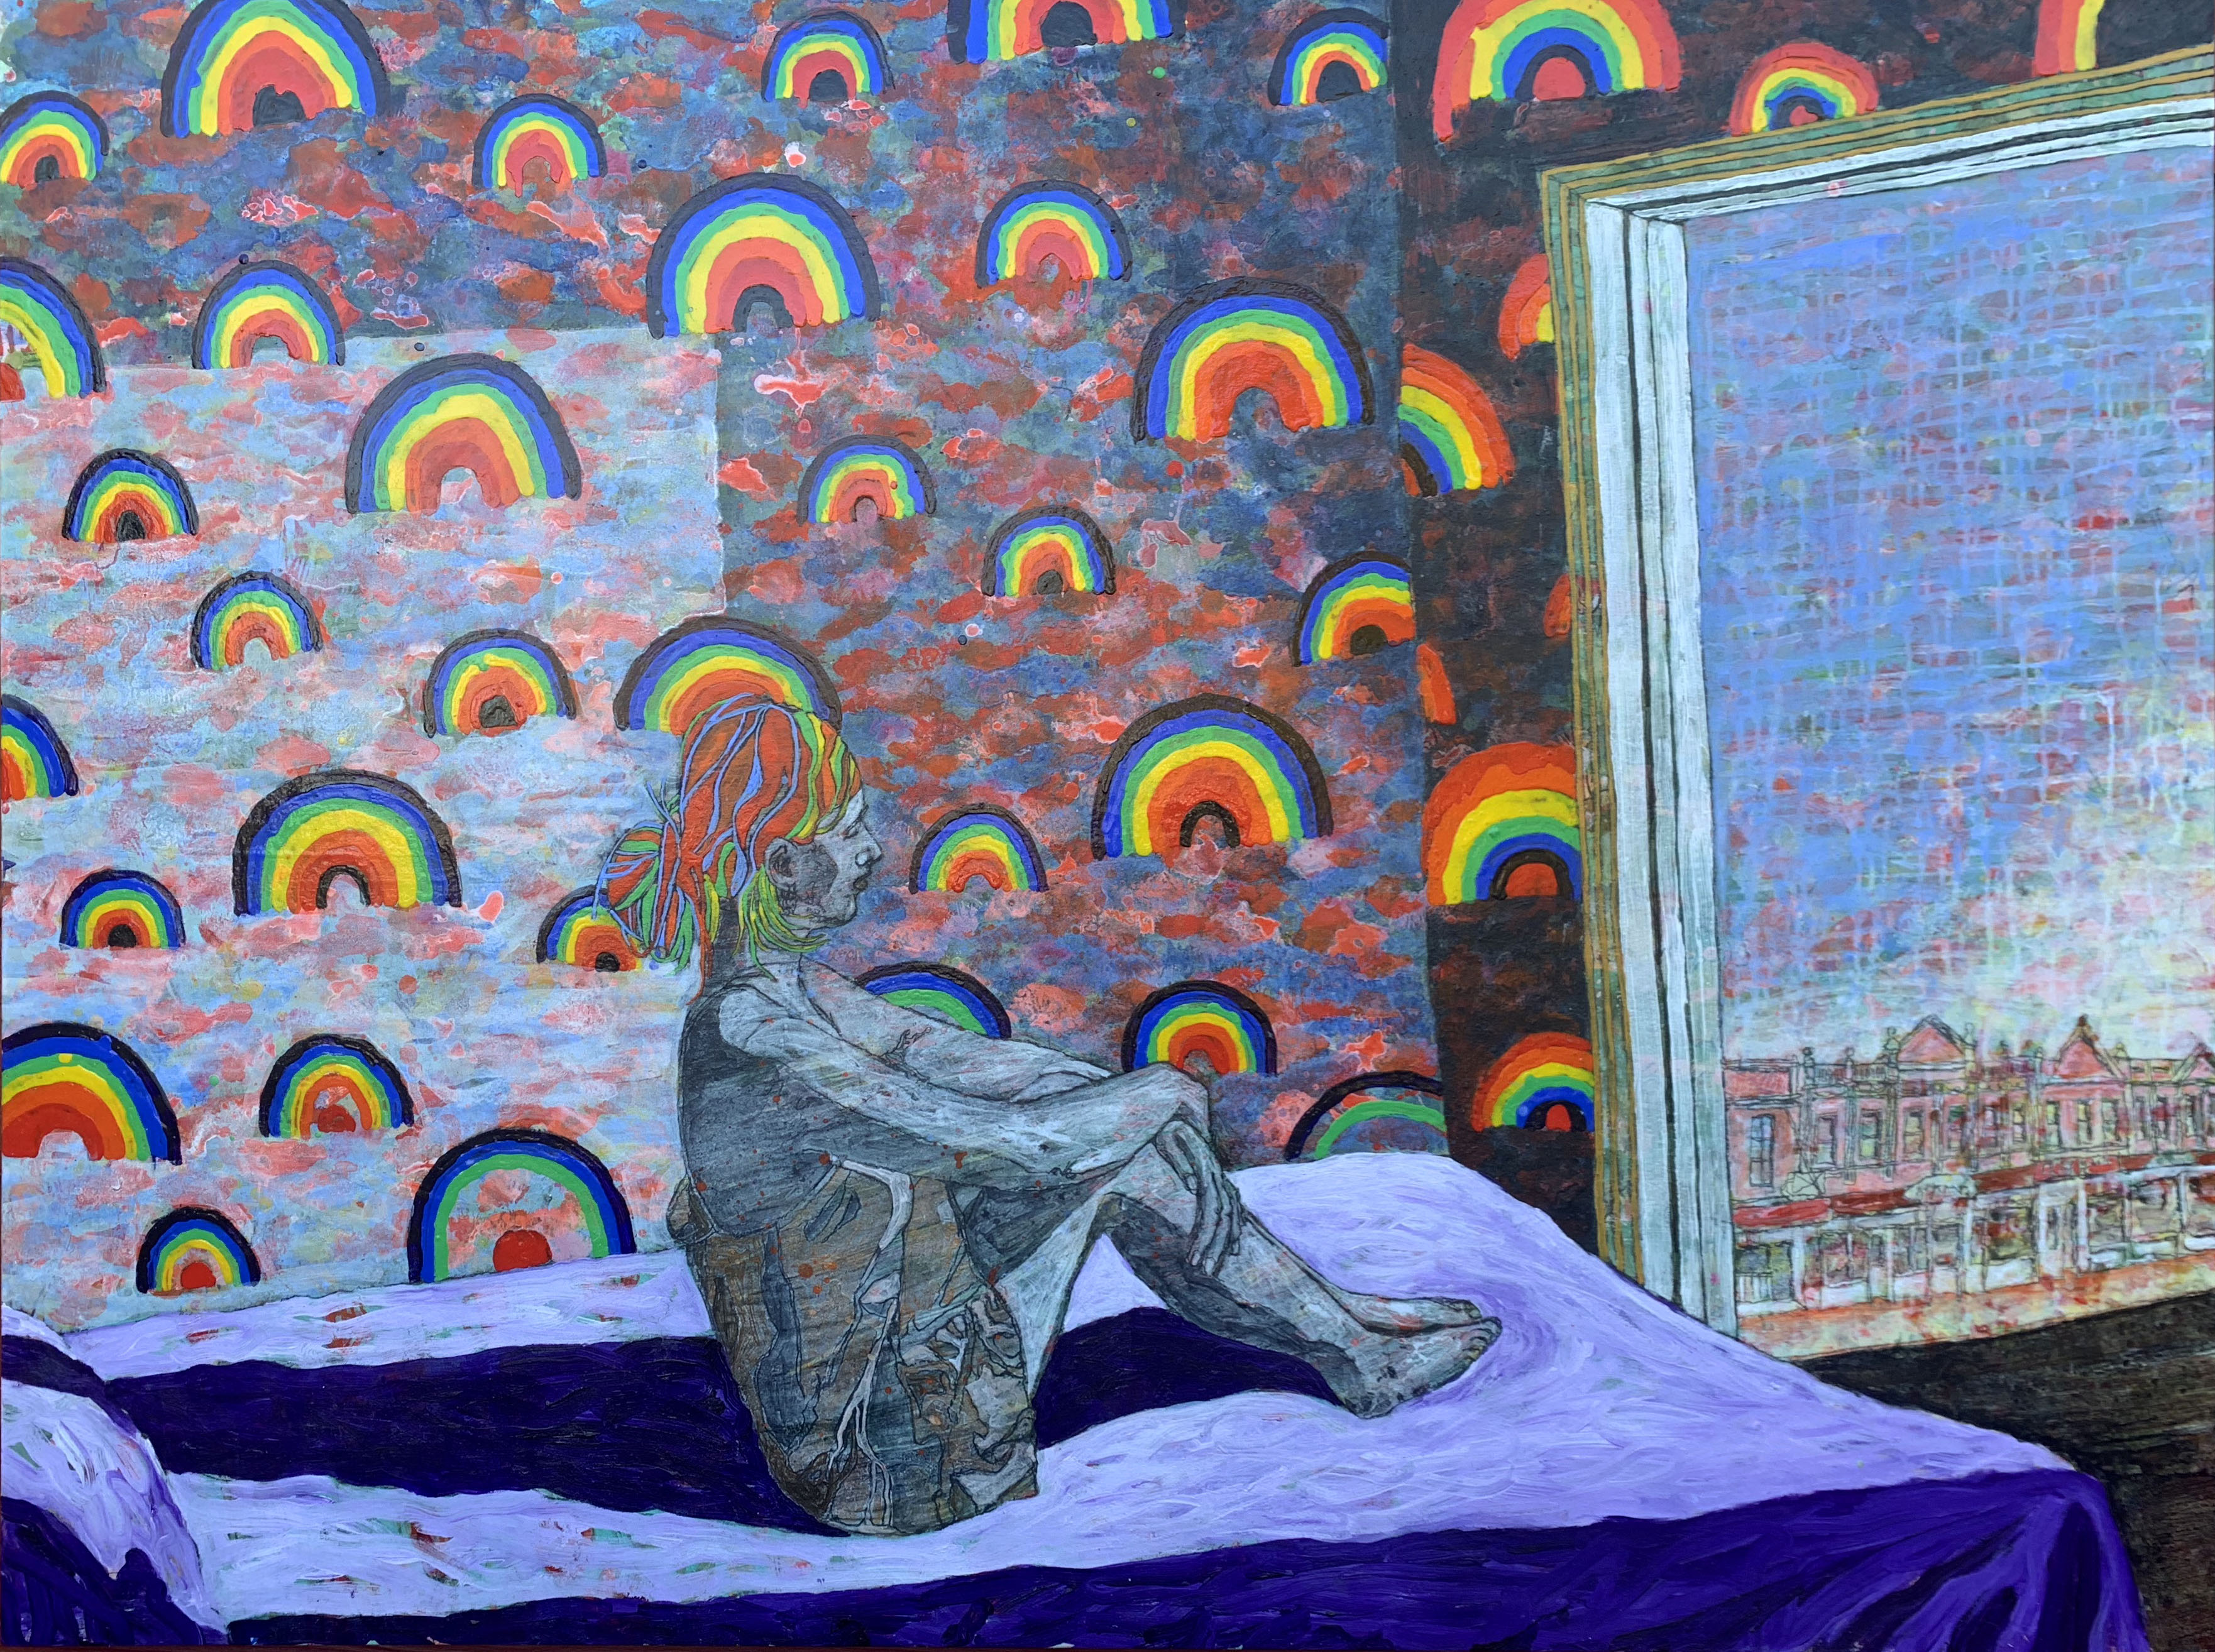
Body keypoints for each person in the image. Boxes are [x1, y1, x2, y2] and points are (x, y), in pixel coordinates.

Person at [602, 697, 1499, 1537]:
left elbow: (965, 1062)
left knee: (1121, 1135)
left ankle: (1351, 1331)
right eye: (848, 830)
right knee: (1119, 1153)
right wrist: (1152, 1099)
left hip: (908, 1378)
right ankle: (1353, 1346)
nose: (873, 850)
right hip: (883, 1464)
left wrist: (1122, 1099)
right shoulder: (754, 1033)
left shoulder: (796, 992)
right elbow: (1006, 1142)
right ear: (782, 864)